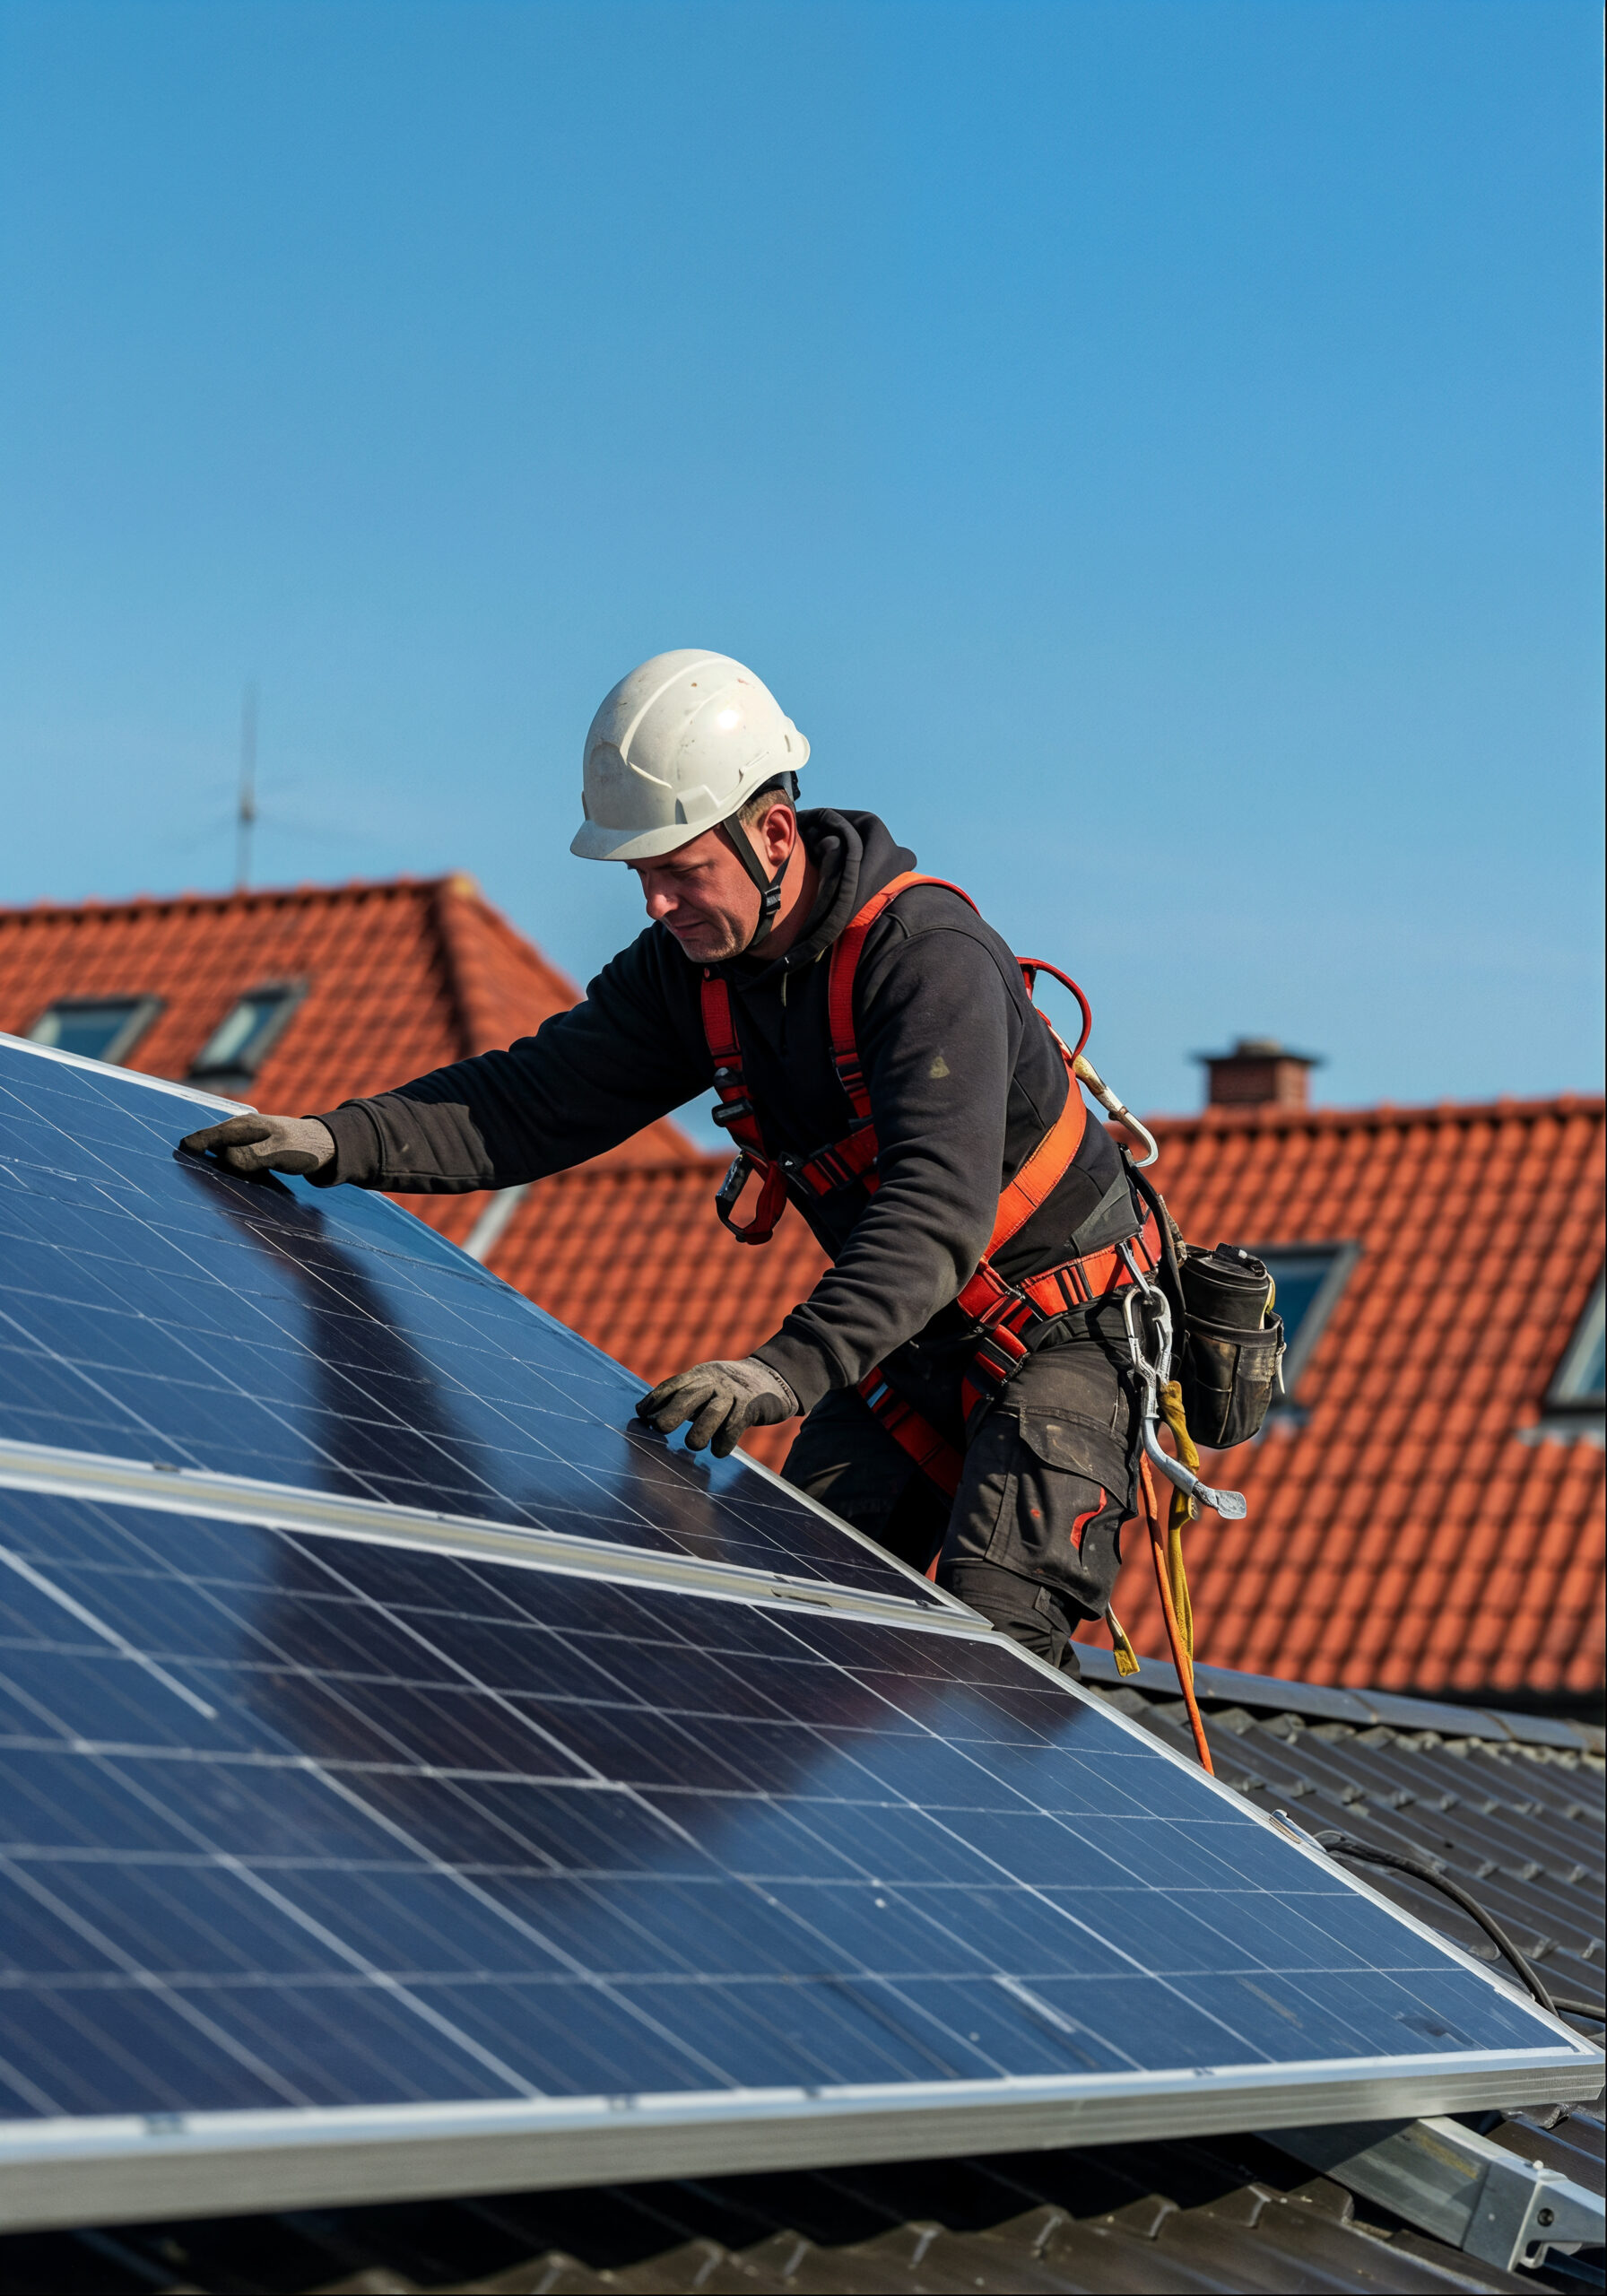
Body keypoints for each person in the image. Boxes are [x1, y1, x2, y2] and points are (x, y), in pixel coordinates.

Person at [181, 649, 1158, 1674]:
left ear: (773, 832)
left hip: (1063, 1341)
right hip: (906, 1353)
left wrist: (777, 1370)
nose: (655, 903)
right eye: (641, 874)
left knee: (984, 1679)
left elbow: (934, 1214)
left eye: (680, 870)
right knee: (784, 1626)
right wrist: (339, 1140)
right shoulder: (692, 972)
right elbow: (532, 1100)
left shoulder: (924, 957)